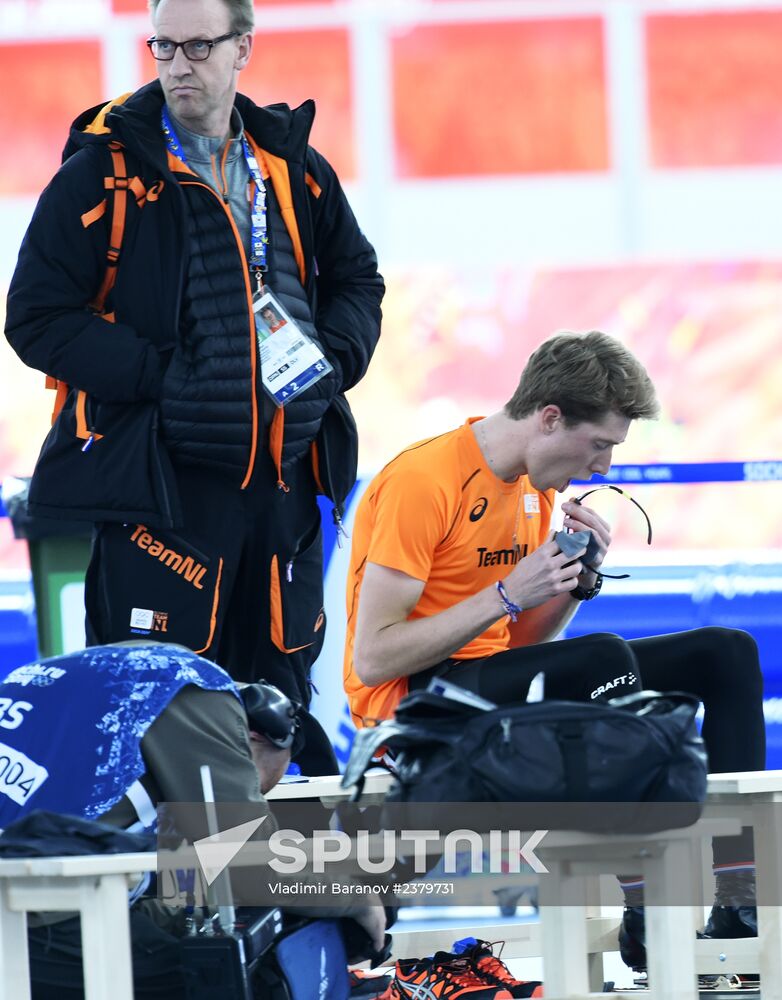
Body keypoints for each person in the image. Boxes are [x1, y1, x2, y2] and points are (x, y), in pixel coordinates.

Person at [4, 0, 384, 775]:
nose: (179, 64)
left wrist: (328, 360)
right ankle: (172, 893)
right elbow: (36, 317)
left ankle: (260, 894)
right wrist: (161, 377)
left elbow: (358, 280)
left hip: (283, 495)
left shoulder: (295, 170)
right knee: (158, 719)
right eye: (164, 46)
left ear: (242, 47)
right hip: (162, 494)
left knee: (275, 714)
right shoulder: (103, 176)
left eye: (199, 45)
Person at [342, 330, 765, 966]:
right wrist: (508, 593)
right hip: (414, 704)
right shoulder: (424, 480)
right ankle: (644, 889)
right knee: (603, 659)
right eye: (599, 446)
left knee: (726, 651)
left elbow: (522, 647)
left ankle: (739, 892)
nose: (603, 469)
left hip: (486, 679)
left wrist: (574, 584)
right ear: (549, 418)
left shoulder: (535, 491)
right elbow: (373, 658)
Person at [0, 642, 386, 998]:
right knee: (221, 981)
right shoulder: (199, 692)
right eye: (255, 784)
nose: (254, 796)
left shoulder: (103, 682)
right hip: (29, 917)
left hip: (26, 896)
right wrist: (360, 899)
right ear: (252, 734)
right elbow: (251, 867)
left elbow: (145, 883)